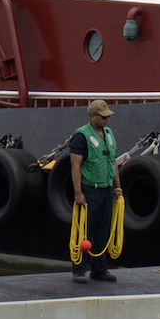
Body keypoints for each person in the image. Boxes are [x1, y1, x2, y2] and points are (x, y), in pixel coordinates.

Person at [65, 98, 124, 280]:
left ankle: (99, 268)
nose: (107, 119)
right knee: (85, 232)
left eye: (108, 116)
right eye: (103, 116)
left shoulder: (108, 133)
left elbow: (112, 161)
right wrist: (78, 193)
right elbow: (75, 166)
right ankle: (79, 270)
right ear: (92, 116)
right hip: (90, 190)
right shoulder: (81, 136)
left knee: (102, 230)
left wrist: (117, 187)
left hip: (106, 189)